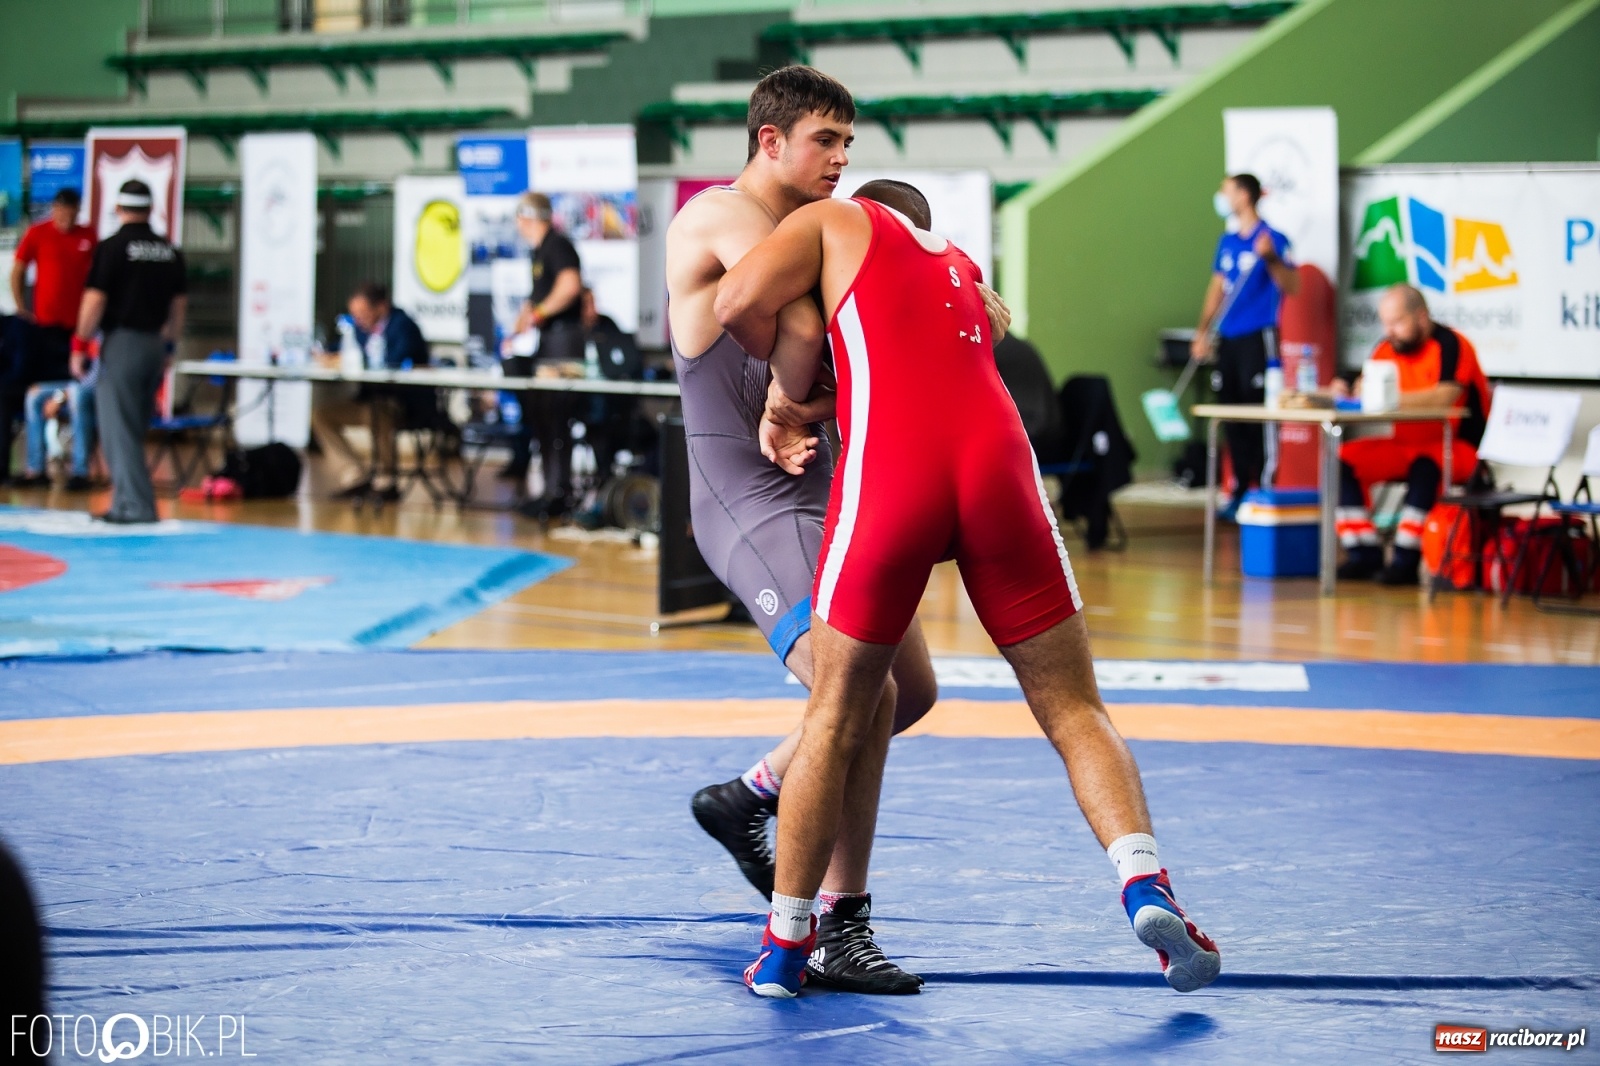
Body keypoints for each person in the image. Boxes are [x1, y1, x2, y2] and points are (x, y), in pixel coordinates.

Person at [716, 186, 1221, 999]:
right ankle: (1144, 884)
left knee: (836, 715)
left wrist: (785, 392)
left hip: (896, 474)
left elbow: (737, 299)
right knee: (1074, 709)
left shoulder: (837, 220)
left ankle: (783, 949)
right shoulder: (961, 270)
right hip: (998, 470)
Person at [669, 67, 1012, 996]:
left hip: (835, 492)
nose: (842, 159)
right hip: (753, 495)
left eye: (849, 144)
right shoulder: (718, 218)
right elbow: (811, 312)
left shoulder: (823, 232)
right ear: (770, 141)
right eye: (825, 140)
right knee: (856, 694)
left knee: (913, 689)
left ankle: (751, 796)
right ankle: (836, 924)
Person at [1333, 284, 1490, 585]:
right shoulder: (1387, 347)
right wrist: (1343, 389)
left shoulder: (1452, 345)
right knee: (1342, 461)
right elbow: (1363, 387)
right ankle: (1363, 552)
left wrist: (1388, 397)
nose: (1389, 330)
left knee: (1425, 467)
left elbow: (1444, 397)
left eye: (1397, 322)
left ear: (1420, 316)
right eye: (1385, 323)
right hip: (1404, 444)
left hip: (1456, 447)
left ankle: (1406, 558)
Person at [73, 180, 186, 525]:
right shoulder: (169, 251)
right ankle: (124, 502)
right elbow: (178, 306)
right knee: (132, 428)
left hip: (123, 343)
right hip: (154, 344)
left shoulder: (113, 248)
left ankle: (136, 507)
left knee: (117, 428)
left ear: (119, 209)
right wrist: (168, 345)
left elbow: (95, 299)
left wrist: (80, 343)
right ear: (151, 210)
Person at [1192, 173, 1300, 518]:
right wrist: (1203, 331)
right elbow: (1216, 289)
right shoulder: (1226, 242)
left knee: (1259, 413)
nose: (1221, 196)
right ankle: (1238, 488)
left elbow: (1292, 285)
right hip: (1229, 338)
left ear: (1244, 195)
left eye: (1226, 190)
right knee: (1232, 413)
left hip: (1259, 336)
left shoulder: (1273, 239)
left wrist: (1270, 258)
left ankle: (1264, 487)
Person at [5, 188, 95, 484]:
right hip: (44, 331)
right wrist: (22, 308)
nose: (66, 218)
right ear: (55, 209)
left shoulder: (88, 237)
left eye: (72, 212)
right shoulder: (38, 234)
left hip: (77, 334)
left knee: (77, 395)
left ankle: (80, 470)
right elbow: (17, 270)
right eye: (62, 211)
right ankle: (36, 468)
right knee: (35, 397)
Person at [312, 282, 431, 501]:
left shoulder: (403, 325)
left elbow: (395, 361)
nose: (359, 319)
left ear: (381, 307)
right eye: (355, 314)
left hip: (403, 403)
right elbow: (342, 351)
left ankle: (386, 480)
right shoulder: (359, 329)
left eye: (363, 313)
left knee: (377, 413)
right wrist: (326, 355)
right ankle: (354, 474)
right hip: (369, 399)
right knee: (321, 415)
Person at [506, 191, 584, 519]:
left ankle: (559, 491)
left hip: (562, 344)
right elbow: (537, 298)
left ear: (527, 217)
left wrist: (537, 316)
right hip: (549, 342)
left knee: (555, 419)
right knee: (544, 420)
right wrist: (521, 325)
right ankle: (552, 489)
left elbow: (569, 286)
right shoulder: (541, 251)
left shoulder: (557, 246)